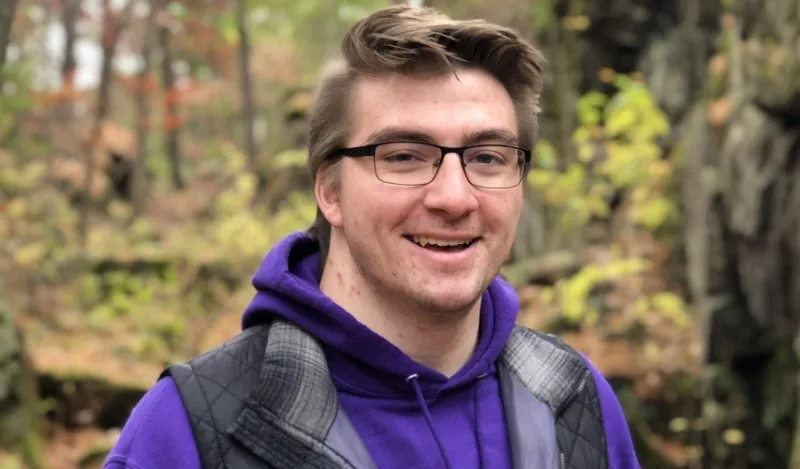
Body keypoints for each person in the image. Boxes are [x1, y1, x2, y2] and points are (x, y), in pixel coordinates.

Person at [103, 5, 640, 469]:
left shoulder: (573, 398)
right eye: (404, 156)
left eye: (487, 158)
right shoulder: (194, 429)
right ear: (330, 192)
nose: (454, 198)